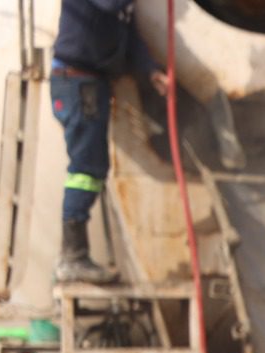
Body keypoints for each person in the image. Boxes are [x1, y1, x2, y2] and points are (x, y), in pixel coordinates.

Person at [50, 0, 169, 284]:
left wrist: (151, 71)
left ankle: (75, 255)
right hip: (77, 81)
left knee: (93, 166)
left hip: (91, 83)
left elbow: (128, 35)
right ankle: (72, 257)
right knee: (86, 167)